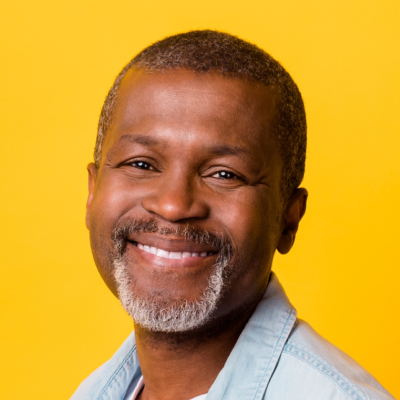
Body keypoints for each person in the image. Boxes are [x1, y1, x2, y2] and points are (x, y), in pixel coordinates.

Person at [71, 30, 394, 400]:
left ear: (289, 219)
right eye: (141, 164)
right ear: (93, 192)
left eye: (225, 174)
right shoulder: (96, 391)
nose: (174, 206)